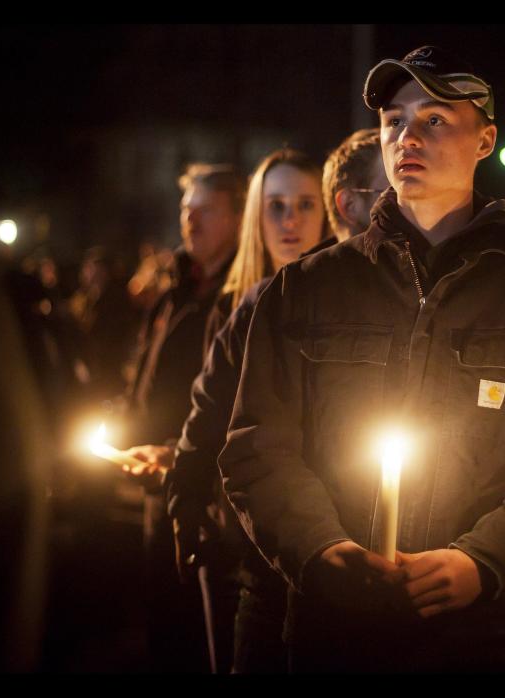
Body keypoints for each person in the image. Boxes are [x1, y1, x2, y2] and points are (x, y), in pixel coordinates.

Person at [218, 46, 505, 673]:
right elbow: (256, 449)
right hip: (338, 635)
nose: (407, 135)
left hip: (491, 639)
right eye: (393, 120)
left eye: (434, 119)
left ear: (485, 140)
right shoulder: (304, 290)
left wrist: (482, 562)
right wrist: (320, 551)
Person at [167, 134, 386, 673]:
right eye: (276, 207)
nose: (291, 221)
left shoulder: (353, 295)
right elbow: (215, 407)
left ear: (329, 209)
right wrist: (188, 487)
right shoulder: (256, 303)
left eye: (304, 205)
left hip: (353, 545)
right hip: (260, 554)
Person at [119, 162, 243, 673]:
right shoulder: (176, 286)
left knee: (201, 627)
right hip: (155, 473)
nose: (191, 221)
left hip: (203, 477)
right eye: (186, 209)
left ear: (239, 217)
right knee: (164, 614)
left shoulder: (239, 295)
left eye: (206, 210)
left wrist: (181, 450)